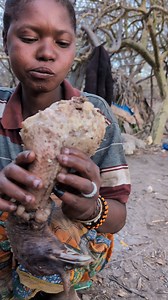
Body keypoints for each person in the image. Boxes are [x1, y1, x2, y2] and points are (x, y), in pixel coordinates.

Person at [0, 0, 131, 299]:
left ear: (74, 49)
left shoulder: (95, 117)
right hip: (6, 238)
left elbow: (118, 215)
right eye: (29, 38)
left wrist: (90, 207)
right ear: (5, 39)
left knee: (60, 226)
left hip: (73, 242)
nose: (46, 52)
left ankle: (59, 292)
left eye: (62, 42)